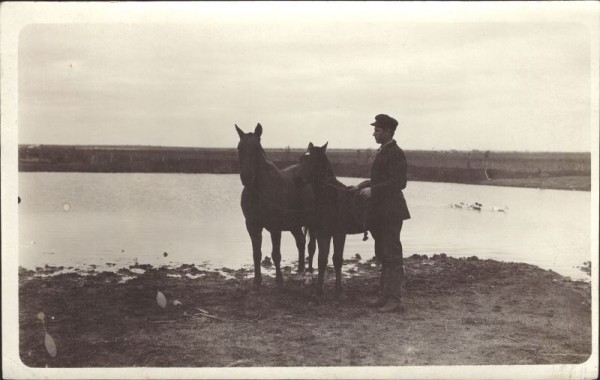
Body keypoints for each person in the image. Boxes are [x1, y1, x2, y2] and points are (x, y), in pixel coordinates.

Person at [353, 114, 411, 312]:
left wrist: (373, 190)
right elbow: (382, 179)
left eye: (377, 130)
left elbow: (399, 182)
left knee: (392, 255)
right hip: (380, 212)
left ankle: (395, 300)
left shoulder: (396, 153)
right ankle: (384, 297)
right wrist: (364, 184)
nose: (374, 133)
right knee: (383, 254)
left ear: (387, 132)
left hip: (391, 212)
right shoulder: (383, 151)